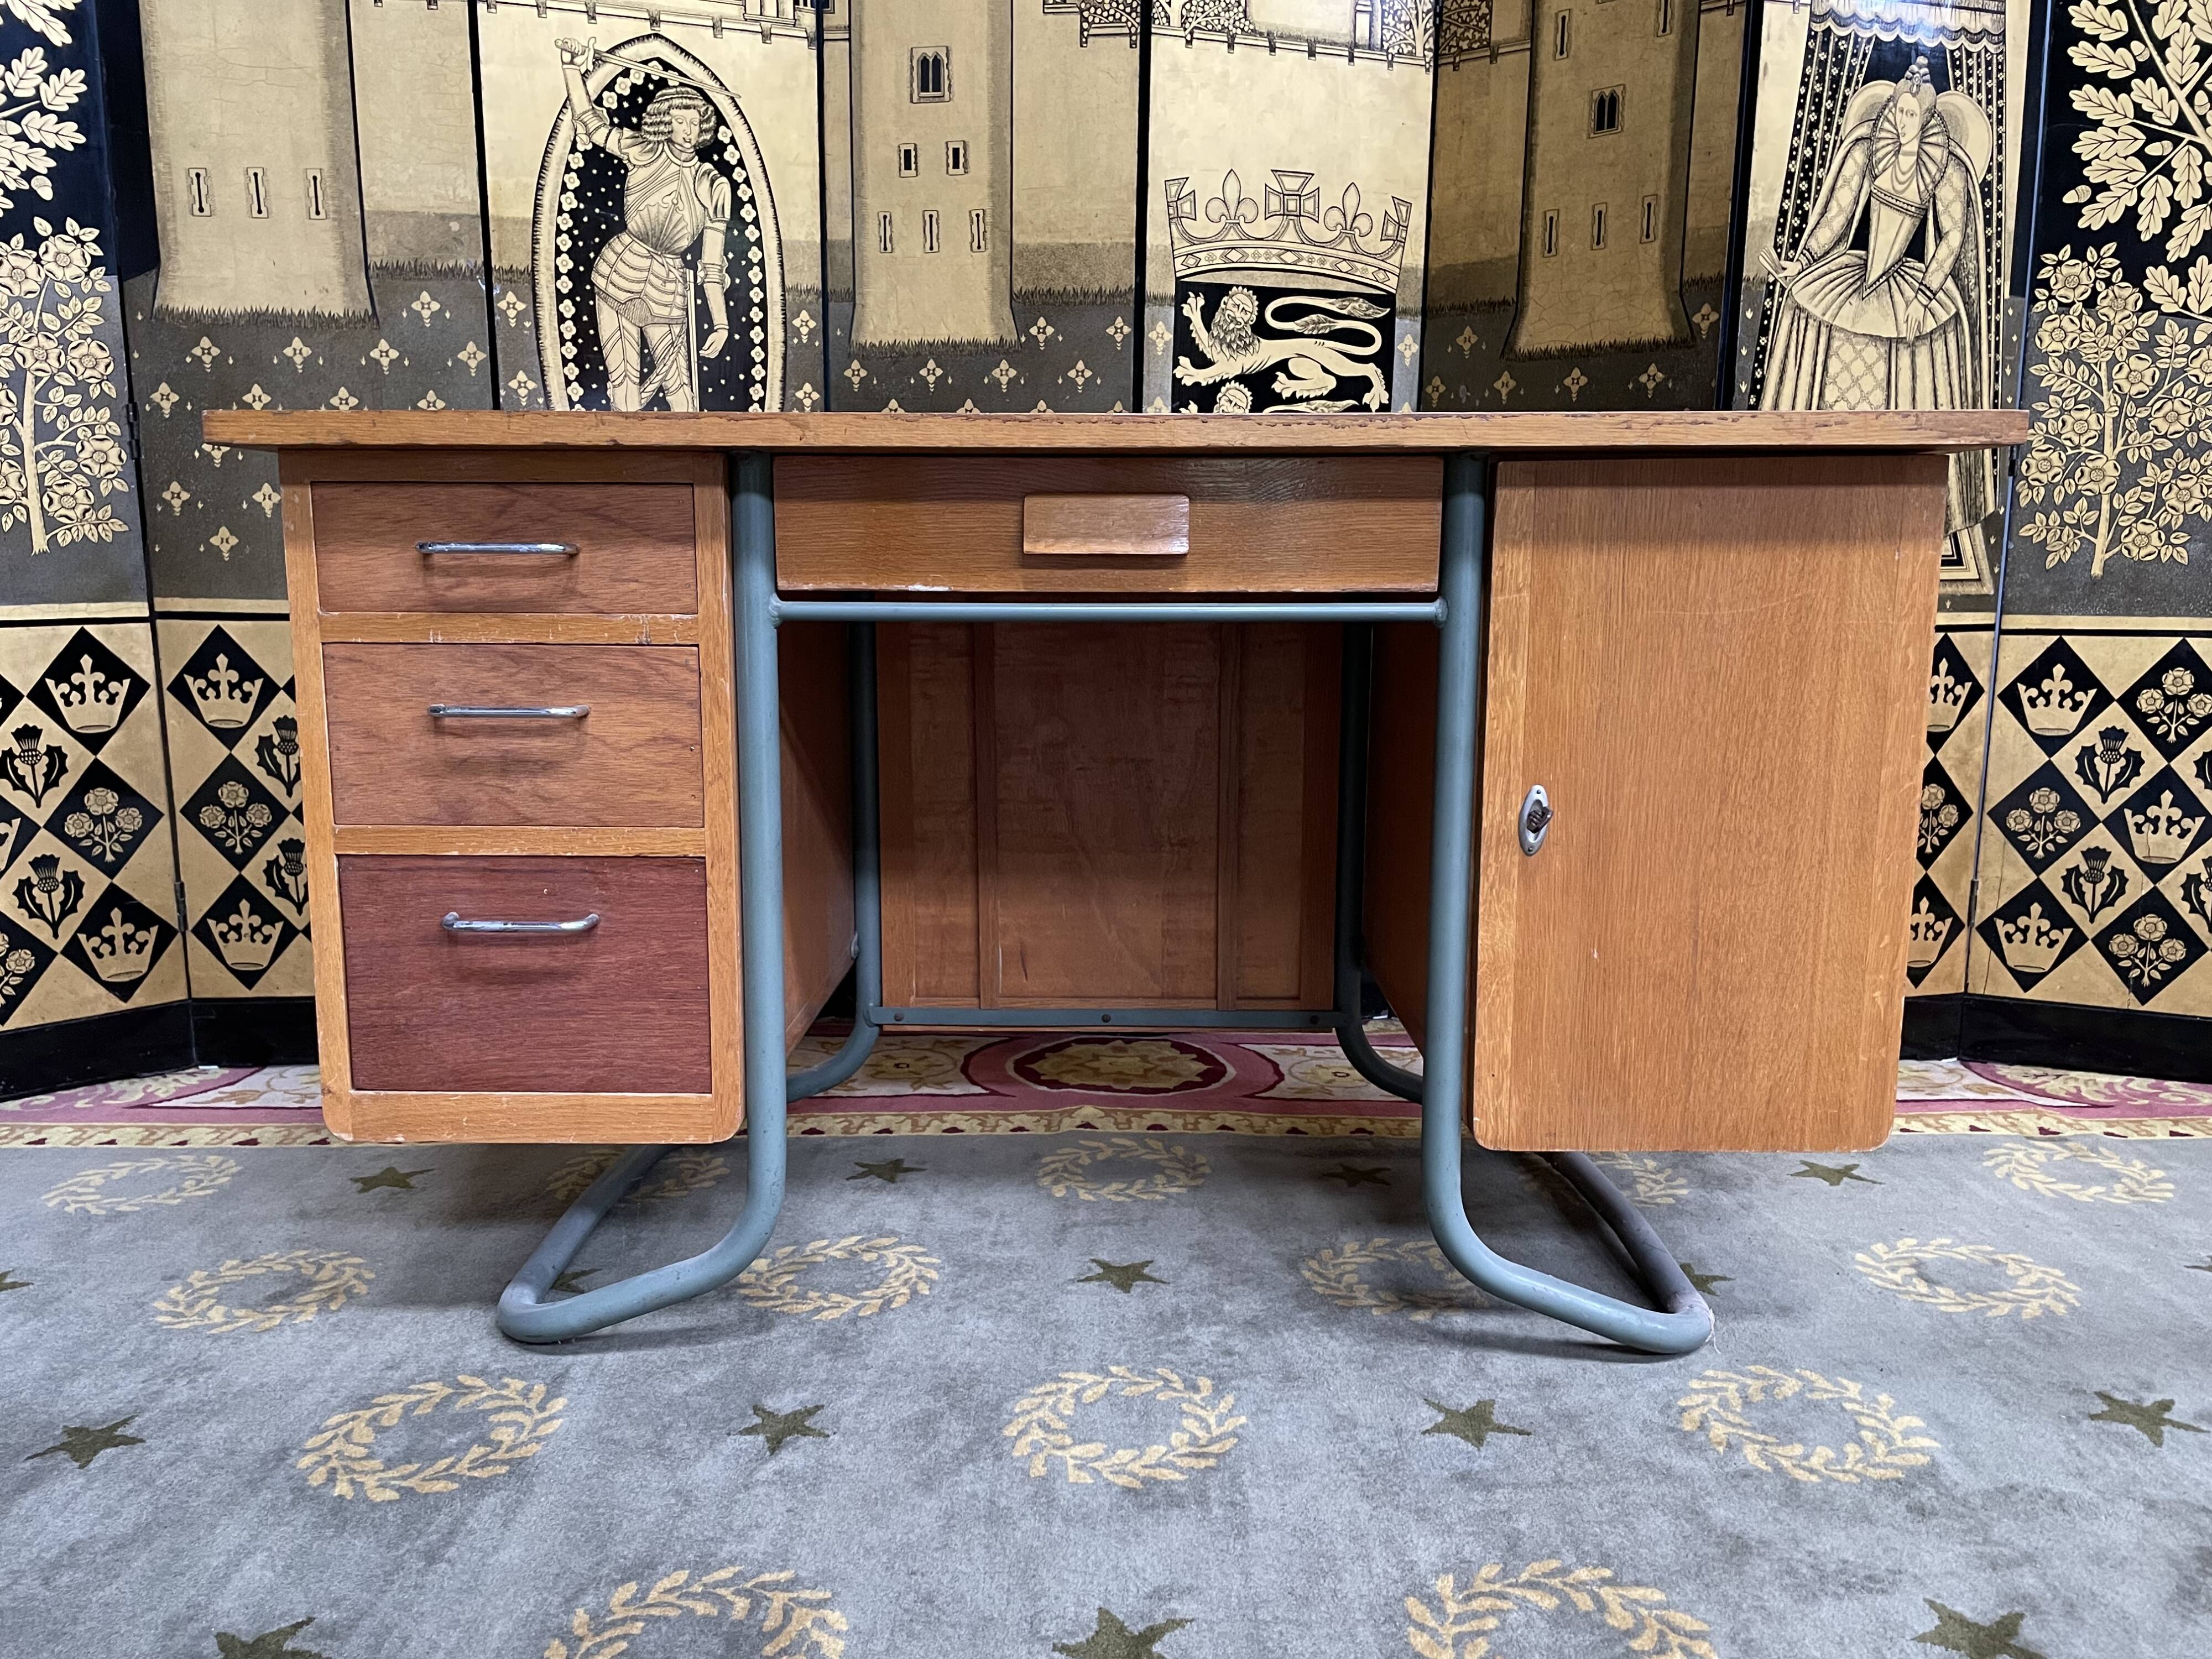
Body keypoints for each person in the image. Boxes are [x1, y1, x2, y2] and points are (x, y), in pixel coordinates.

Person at [1760, 56, 1994, 534]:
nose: (1904, 123)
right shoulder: (1868, 149)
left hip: (1913, 282)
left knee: (1916, 342)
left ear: (1928, 118)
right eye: (1899, 113)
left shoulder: (1945, 167)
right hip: (1856, 274)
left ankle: (1899, 502)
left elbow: (1951, 237)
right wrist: (1800, 265)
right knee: (1809, 309)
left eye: (1913, 116)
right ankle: (1812, 487)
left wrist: (1927, 295)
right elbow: (1836, 217)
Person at [557, 38, 733, 411]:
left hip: (668, 285)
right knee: (623, 382)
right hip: (619, 268)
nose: (687, 129)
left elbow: (712, 267)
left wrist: (722, 324)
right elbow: (590, 122)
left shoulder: (714, 184)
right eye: (679, 120)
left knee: (680, 390)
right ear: (664, 121)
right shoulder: (644, 149)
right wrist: (572, 67)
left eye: (694, 121)